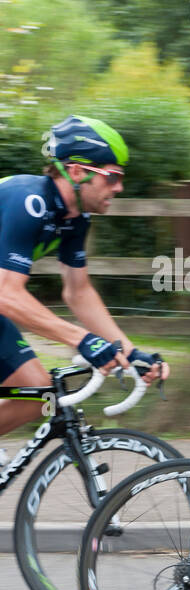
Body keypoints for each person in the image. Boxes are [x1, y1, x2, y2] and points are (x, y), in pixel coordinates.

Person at [0, 115, 166, 441]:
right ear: (77, 171)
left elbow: (79, 292)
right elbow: (6, 293)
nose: (119, 187)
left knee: (39, 395)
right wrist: (81, 339)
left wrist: (129, 354)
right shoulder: (28, 201)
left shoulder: (75, 217)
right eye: (112, 176)